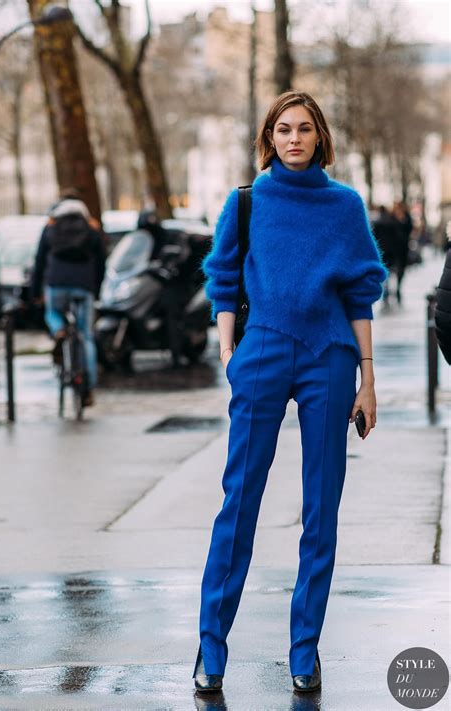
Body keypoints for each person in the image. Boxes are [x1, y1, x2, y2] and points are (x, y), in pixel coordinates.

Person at [192, 90, 388, 694]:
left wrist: (368, 377)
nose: (294, 139)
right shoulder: (248, 203)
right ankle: (210, 650)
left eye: (304, 129)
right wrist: (230, 352)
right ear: (269, 138)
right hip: (264, 353)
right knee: (239, 501)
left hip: (329, 358)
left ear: (320, 137)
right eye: (283, 129)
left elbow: (360, 293)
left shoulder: (345, 206)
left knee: (321, 508)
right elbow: (224, 278)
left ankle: (305, 650)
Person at [32, 189, 106, 406]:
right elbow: (102, 261)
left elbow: (39, 262)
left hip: (56, 284)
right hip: (84, 287)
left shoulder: (51, 227)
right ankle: (89, 389)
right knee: (86, 336)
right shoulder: (91, 229)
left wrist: (35, 293)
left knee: (52, 312)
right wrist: (97, 289)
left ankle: (59, 331)